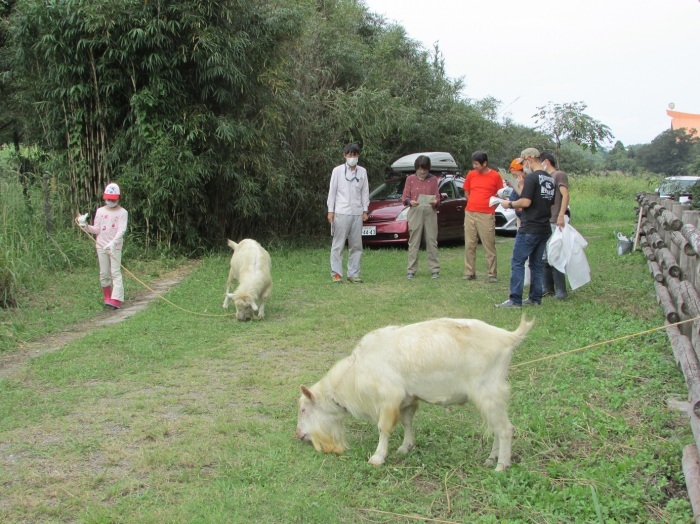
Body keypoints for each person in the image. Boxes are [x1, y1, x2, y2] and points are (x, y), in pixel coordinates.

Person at [496, 148, 555, 308]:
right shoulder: (549, 179)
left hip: (530, 227)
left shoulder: (533, 177)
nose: (524, 166)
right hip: (544, 227)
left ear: (529, 159)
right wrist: (520, 186)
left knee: (517, 262)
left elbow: (525, 202)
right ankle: (535, 298)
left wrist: (509, 204)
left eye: (524, 162)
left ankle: (515, 299)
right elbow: (540, 200)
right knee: (536, 264)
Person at [76, 182, 128, 309]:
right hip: (101, 246)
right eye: (108, 199)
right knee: (104, 272)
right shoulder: (100, 211)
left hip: (114, 246)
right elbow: (97, 229)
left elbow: (122, 229)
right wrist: (85, 225)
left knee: (115, 272)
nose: (110, 201)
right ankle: (107, 296)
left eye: (112, 199)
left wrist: (113, 242)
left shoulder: (122, 212)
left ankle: (117, 298)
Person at [327, 143, 369, 283]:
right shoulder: (337, 171)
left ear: (358, 156)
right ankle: (336, 274)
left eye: (355, 155)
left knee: (356, 245)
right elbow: (332, 192)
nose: (352, 157)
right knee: (338, 244)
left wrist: (365, 210)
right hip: (341, 211)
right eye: (350, 155)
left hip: (357, 212)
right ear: (345, 156)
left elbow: (365, 192)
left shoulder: (362, 172)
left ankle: (353, 274)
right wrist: (330, 211)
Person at [462, 151, 504, 282]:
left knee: (489, 244)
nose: (474, 166)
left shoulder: (496, 176)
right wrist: (472, 203)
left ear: (485, 163)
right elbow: (466, 192)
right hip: (470, 212)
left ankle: (492, 274)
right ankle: (470, 272)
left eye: (476, 164)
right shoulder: (471, 174)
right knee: (469, 243)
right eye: (473, 163)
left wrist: (490, 207)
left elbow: (500, 195)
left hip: (486, 214)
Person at [401, 155, 441, 279]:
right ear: (416, 168)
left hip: (430, 210)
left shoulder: (433, 179)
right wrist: (410, 202)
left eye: (424, 169)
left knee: (431, 240)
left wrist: (435, 202)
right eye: (420, 169)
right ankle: (411, 270)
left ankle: (434, 269)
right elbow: (405, 198)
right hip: (415, 210)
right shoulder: (410, 179)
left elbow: (437, 197)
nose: (422, 172)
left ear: (428, 169)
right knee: (414, 241)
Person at [540, 151, 570, 300]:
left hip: (554, 219)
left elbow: (565, 195)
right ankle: (548, 287)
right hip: (544, 219)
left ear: (546, 161)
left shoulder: (559, 175)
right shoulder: (544, 177)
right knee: (545, 255)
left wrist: (560, 215)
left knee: (555, 254)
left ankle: (561, 290)